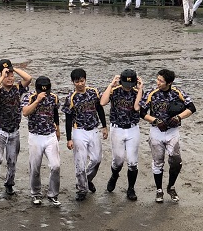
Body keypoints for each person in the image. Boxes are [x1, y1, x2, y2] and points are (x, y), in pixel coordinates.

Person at [140, 69, 195, 203]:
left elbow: (192, 108)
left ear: (169, 82)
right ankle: (159, 190)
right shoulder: (151, 93)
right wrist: (155, 121)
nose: (157, 82)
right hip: (156, 132)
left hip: (172, 131)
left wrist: (178, 117)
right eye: (157, 79)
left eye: (161, 81)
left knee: (176, 161)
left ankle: (171, 186)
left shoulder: (178, 92)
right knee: (158, 161)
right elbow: (141, 112)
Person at [0, 59, 32, 198]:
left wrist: (15, 69)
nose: (10, 78)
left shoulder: (18, 88)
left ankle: (9, 184)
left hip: (14, 131)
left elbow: (28, 78)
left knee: (12, 161)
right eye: (8, 76)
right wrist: (2, 76)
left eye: (12, 76)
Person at [62, 68, 107, 201]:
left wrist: (104, 126)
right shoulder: (70, 98)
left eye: (82, 81)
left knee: (97, 159)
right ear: (73, 82)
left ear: (85, 80)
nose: (80, 84)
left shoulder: (94, 92)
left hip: (93, 129)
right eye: (77, 82)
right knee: (80, 162)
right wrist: (69, 138)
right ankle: (82, 189)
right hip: (79, 131)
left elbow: (100, 109)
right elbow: (68, 119)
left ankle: (87, 179)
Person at [100, 70, 143, 201]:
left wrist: (140, 89)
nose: (128, 87)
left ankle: (131, 188)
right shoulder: (115, 90)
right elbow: (102, 102)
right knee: (118, 160)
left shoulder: (138, 92)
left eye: (131, 84)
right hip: (117, 129)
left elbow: (137, 108)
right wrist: (111, 85)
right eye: (126, 84)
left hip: (133, 129)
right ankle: (114, 175)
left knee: (132, 162)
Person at [21, 76, 61, 206]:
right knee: (35, 167)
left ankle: (53, 194)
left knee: (55, 166)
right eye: (41, 91)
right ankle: (35, 193)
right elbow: (25, 112)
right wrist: (37, 100)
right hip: (35, 136)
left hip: (50, 135)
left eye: (46, 91)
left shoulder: (54, 97)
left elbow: (55, 112)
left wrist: (58, 128)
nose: (44, 93)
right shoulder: (29, 97)